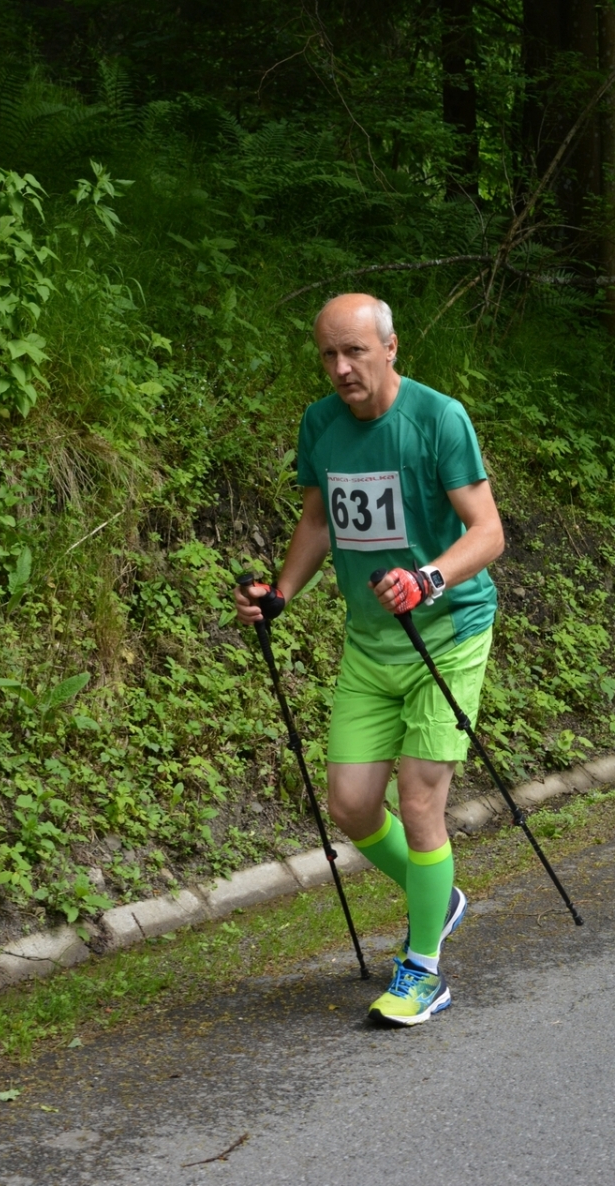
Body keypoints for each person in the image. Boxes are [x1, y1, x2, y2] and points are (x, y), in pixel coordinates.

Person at [234, 292, 504, 1026]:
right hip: (370, 642)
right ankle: (435, 895)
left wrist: (428, 579)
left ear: (390, 348)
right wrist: (281, 593)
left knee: (418, 804)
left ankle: (423, 971)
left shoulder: (438, 418)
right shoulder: (320, 424)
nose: (342, 367)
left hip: (447, 634)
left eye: (355, 350)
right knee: (352, 805)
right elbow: (319, 519)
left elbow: (487, 532)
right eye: (329, 354)